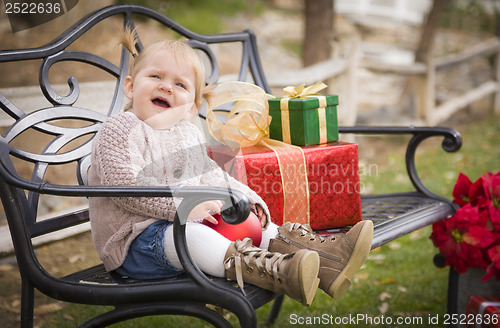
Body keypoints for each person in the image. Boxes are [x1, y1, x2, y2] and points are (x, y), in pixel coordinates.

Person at [88, 30, 373, 306]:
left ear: (191, 107)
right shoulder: (121, 129)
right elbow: (125, 188)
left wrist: (248, 199)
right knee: (192, 236)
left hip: (179, 223)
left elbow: (213, 174)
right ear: (130, 86)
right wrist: (183, 207)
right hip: (135, 244)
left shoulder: (186, 132)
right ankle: (279, 272)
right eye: (155, 77)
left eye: (180, 84)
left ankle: (327, 262)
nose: (166, 87)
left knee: (259, 226)